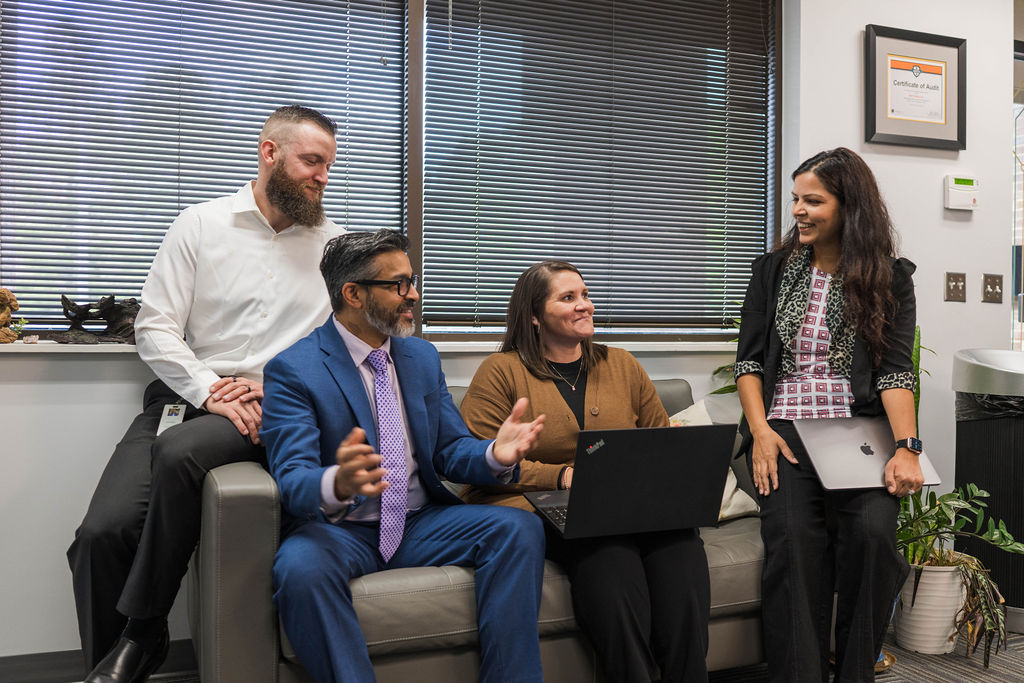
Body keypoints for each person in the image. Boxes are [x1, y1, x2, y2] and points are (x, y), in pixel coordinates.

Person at [67, 105, 345, 683]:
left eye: (328, 166)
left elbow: (340, 347)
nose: (323, 177)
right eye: (311, 161)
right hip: (185, 398)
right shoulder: (199, 225)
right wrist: (210, 388)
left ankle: (142, 634)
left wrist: (274, 394)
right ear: (269, 152)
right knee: (99, 536)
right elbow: (155, 326)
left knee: (181, 453)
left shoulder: (335, 248)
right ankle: (113, 668)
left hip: (270, 408)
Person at [260, 229, 548, 683]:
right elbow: (293, 478)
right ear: (353, 294)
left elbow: (450, 450)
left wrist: (496, 452)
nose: (412, 295)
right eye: (398, 284)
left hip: (419, 522)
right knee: (299, 569)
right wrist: (337, 482)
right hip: (342, 530)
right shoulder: (294, 369)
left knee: (518, 528)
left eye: (412, 280)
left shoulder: (420, 357)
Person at [460, 260, 711, 683]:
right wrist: (561, 476)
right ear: (535, 316)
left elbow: (658, 442)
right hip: (543, 505)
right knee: (610, 560)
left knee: (681, 547)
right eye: (568, 297)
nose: (585, 306)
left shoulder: (622, 365)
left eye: (586, 294)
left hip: (626, 503)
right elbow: (476, 461)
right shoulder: (500, 371)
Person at [734, 147, 924, 682]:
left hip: (857, 432)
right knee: (793, 549)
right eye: (795, 198)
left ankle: (856, 672)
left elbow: (893, 371)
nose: (798, 209)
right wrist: (761, 433)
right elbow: (748, 361)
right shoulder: (772, 271)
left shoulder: (889, 278)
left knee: (874, 539)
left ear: (849, 205)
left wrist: (906, 447)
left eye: (813, 200)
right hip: (786, 433)